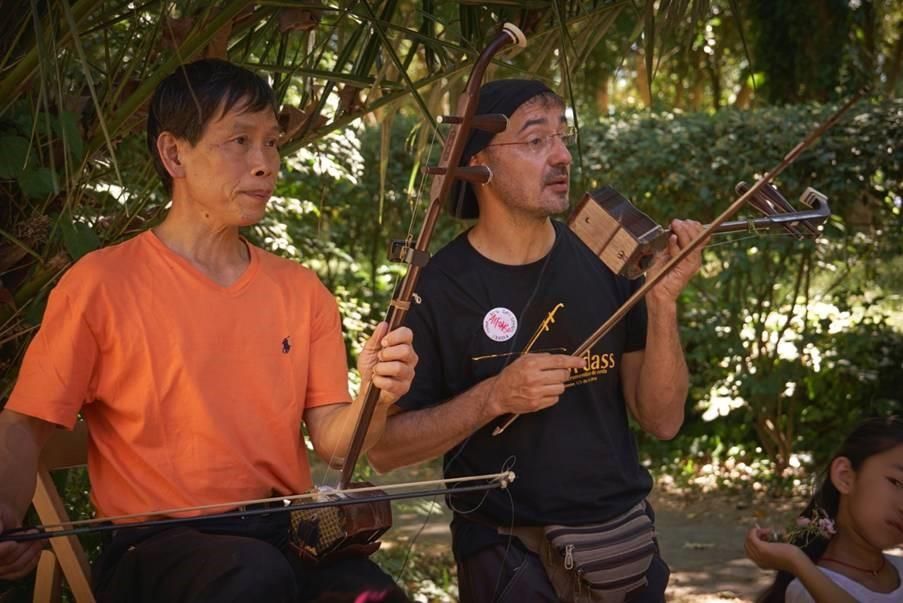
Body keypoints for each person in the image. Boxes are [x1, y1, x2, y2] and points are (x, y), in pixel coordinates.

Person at [0, 58, 418, 602]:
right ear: (174, 153)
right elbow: (26, 422)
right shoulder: (101, 284)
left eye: (271, 142)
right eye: (239, 140)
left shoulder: (301, 290)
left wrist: (377, 397)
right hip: (155, 549)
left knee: (372, 596)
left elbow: (335, 445)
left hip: (282, 537)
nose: (265, 163)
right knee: (250, 577)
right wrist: (6, 515)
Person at [367, 79, 705, 602]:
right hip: (509, 559)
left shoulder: (607, 259)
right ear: (478, 162)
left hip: (624, 548)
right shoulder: (434, 287)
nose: (562, 155)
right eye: (535, 140)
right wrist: (493, 397)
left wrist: (661, 304)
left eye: (563, 136)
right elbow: (385, 450)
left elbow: (663, 420)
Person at [746, 416, 903, 603]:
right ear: (844, 476)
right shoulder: (809, 591)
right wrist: (796, 562)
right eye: (897, 482)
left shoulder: (899, 570)